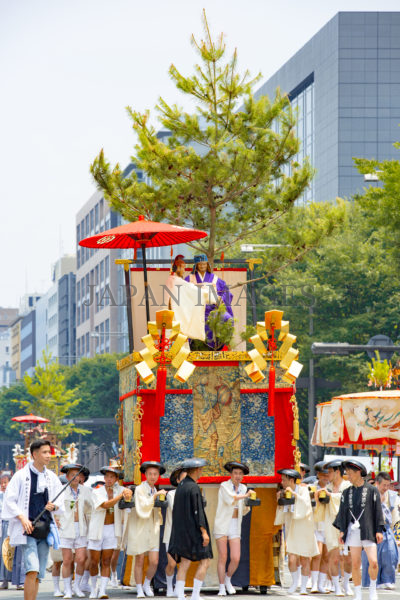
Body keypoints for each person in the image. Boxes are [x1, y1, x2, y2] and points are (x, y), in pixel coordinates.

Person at [1, 439, 65, 600]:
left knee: (39, 574)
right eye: (44, 452)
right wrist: (22, 518)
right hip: (27, 529)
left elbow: (61, 500)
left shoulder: (51, 476)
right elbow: (9, 500)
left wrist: (54, 506)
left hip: (45, 529)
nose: (48, 456)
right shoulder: (21, 476)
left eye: (49, 452)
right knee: (32, 569)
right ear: (34, 454)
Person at [333, 459, 385, 600]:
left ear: (358, 473)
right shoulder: (346, 492)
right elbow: (342, 513)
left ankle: (373, 590)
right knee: (355, 563)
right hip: (353, 530)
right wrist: (342, 531)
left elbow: (378, 511)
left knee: (373, 561)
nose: (347, 476)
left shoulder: (372, 490)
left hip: (368, 529)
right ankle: (357, 593)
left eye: (349, 473)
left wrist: (379, 529)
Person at [168, 458, 213, 600]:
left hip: (182, 531)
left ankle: (180, 595)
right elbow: (197, 511)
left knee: (184, 563)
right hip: (194, 531)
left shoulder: (181, 486)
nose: (201, 472)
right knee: (205, 561)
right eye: (201, 470)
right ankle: (195, 594)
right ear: (196, 470)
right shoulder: (193, 487)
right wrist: (204, 532)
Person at [87, 466, 131, 600]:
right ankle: (93, 588)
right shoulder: (97, 491)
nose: (109, 479)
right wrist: (120, 496)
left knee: (106, 560)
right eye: (107, 477)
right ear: (104, 478)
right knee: (94, 561)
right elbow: (105, 505)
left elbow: (129, 492)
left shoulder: (120, 490)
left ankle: (102, 590)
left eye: (112, 477)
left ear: (116, 479)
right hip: (97, 529)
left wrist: (128, 492)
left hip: (112, 529)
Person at [274, 468, 319, 595]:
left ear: (292, 480)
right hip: (291, 526)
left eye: (284, 480)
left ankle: (304, 586)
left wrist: (293, 494)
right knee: (292, 558)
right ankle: (295, 582)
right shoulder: (283, 491)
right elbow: (282, 511)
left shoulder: (303, 489)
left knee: (304, 558)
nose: (282, 482)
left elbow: (306, 504)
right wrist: (279, 500)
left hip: (303, 526)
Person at [126, 461, 167, 598]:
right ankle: (139, 588)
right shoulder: (139, 489)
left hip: (153, 528)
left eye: (155, 474)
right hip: (141, 527)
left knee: (154, 561)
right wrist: (155, 497)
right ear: (145, 475)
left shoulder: (155, 489)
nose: (153, 476)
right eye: (150, 474)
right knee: (140, 559)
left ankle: (146, 583)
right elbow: (142, 506)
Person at [214, 461, 251, 596]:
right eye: (235, 473)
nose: (237, 476)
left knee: (235, 557)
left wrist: (248, 502)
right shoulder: (224, 486)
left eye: (240, 474)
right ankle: (221, 586)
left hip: (235, 524)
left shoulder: (243, 488)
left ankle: (228, 579)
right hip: (222, 524)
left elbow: (244, 510)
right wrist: (245, 496)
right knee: (223, 556)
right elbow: (231, 499)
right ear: (230, 474)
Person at [316, 459, 352, 596]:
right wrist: (320, 497)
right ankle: (336, 586)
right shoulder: (328, 488)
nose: (327, 475)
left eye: (330, 472)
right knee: (334, 557)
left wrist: (332, 496)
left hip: (346, 524)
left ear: (337, 472)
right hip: (331, 524)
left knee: (348, 558)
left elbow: (347, 499)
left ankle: (346, 583)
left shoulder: (348, 485)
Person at [59, 464, 93, 599]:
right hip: (66, 528)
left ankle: (77, 586)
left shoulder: (86, 491)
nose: (75, 477)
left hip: (81, 527)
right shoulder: (61, 491)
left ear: (80, 477)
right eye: (72, 475)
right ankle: (67, 589)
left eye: (77, 474)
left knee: (81, 558)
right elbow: (56, 509)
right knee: (67, 560)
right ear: (67, 477)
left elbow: (91, 508)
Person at [185, 254, 234, 349]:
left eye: (204, 264)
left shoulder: (215, 279)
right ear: (196, 266)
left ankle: (219, 344)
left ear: (207, 265)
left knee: (226, 318)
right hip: (195, 311)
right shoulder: (189, 279)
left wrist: (221, 299)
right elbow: (182, 294)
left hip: (212, 310)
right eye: (200, 264)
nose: (202, 266)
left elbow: (226, 292)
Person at [362, 471, 399, 590]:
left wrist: (396, 534)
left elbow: (394, 516)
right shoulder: (368, 493)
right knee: (372, 558)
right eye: (384, 485)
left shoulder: (392, 496)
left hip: (387, 529)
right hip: (371, 529)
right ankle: (371, 581)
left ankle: (387, 580)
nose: (386, 488)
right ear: (377, 483)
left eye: (388, 485)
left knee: (390, 555)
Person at [165, 255, 208, 341]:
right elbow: (191, 288)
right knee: (178, 343)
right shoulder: (176, 280)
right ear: (178, 268)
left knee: (170, 340)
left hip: (169, 315)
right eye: (183, 268)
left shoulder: (170, 279)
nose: (184, 271)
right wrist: (205, 292)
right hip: (174, 315)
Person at [163, 465, 187, 597]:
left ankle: (180, 589)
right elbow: (175, 509)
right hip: (170, 534)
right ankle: (169, 586)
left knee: (183, 564)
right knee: (172, 563)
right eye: (182, 480)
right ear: (177, 481)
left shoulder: (191, 493)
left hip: (184, 534)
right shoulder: (171, 494)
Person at [310, 461, 330, 593]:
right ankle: (313, 584)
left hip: (329, 526)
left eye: (327, 475)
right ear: (318, 474)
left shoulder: (333, 488)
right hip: (316, 525)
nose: (325, 478)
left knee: (326, 556)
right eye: (322, 475)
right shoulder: (311, 488)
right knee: (317, 554)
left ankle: (322, 584)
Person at [0, 473, 12, 590]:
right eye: (1, 483)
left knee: (15, 553)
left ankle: (18, 581)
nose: (3, 485)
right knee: (3, 552)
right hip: (2, 525)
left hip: (13, 524)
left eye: (5, 482)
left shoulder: (13, 496)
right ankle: (4, 580)